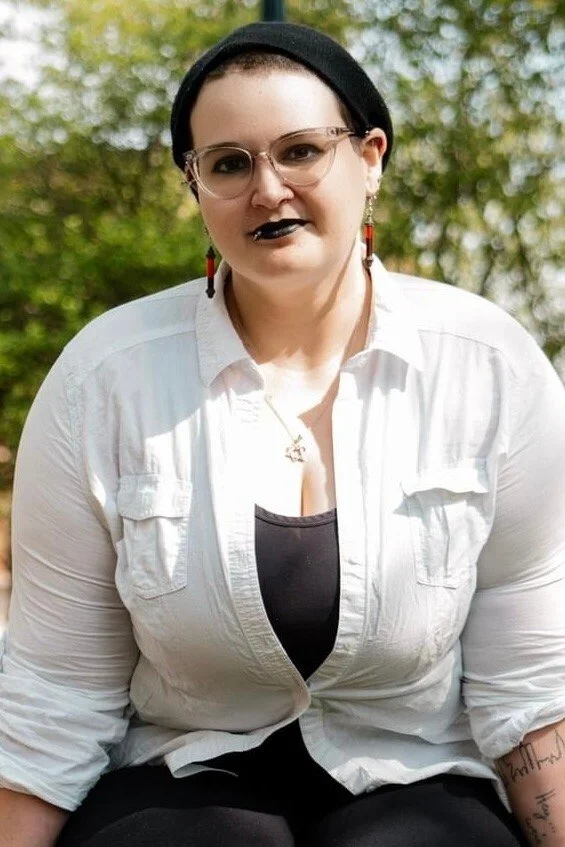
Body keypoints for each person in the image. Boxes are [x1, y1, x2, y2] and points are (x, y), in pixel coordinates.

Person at [1, 20, 565, 847]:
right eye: (228, 163)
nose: (267, 189)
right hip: (180, 774)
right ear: (196, 186)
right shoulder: (105, 378)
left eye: (300, 151)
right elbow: (55, 688)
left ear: (369, 159)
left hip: (414, 772)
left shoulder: (487, 365)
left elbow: (530, 684)